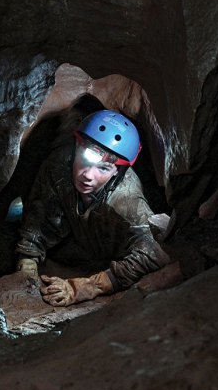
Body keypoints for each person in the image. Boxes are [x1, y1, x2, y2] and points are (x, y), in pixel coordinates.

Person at [15, 109, 170, 307]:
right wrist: (27, 262)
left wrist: (87, 287)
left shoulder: (127, 199)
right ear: (77, 146)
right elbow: (38, 214)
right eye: (86, 159)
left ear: (117, 171)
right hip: (76, 245)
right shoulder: (59, 164)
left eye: (103, 168)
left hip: (113, 253)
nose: (88, 175)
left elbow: (155, 253)